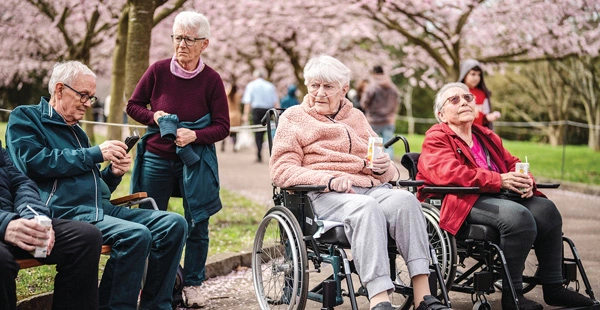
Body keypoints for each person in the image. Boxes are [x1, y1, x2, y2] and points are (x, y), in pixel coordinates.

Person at [270, 54, 449, 310]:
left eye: (328, 87)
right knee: (366, 209)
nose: (320, 93)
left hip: (369, 187)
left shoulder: (356, 117)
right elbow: (281, 170)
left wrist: (384, 167)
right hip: (323, 194)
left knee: (406, 201)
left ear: (344, 90)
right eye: (314, 85)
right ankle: (380, 300)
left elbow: (381, 164)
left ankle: (423, 296)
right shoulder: (293, 118)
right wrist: (329, 179)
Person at [5, 60, 188, 310]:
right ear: (59, 89)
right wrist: (95, 153)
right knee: (135, 234)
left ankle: (157, 306)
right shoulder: (26, 117)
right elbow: (32, 163)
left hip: (100, 210)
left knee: (173, 224)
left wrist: (113, 173)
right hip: (66, 212)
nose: (88, 103)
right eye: (83, 95)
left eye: (91, 97)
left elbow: (92, 186)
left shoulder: (77, 131)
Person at [416, 82, 595, 310]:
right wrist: (499, 180)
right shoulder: (436, 138)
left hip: (495, 196)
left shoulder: (485, 136)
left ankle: (554, 287)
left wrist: (526, 181)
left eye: (468, 97)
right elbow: (449, 174)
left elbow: (513, 163)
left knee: (548, 211)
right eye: (454, 100)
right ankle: (513, 295)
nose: (463, 102)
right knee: (518, 217)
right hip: (458, 200)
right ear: (441, 115)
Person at [126, 11, 229, 309]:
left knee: (197, 224)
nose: (181, 44)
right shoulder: (157, 70)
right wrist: (154, 116)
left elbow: (223, 126)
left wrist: (195, 136)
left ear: (204, 44)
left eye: (189, 39)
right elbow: (133, 105)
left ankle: (194, 284)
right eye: (177, 37)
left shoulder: (212, 80)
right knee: (149, 221)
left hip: (194, 161)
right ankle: (152, 285)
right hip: (157, 158)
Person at [0, 143, 102, 310]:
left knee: (85, 238)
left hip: (16, 221)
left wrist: (35, 216)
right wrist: (5, 224)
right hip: (5, 225)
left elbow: (20, 183)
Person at [360, 65, 400, 159]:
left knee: (374, 146)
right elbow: (397, 102)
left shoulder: (372, 86)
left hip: (374, 120)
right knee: (389, 144)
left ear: (374, 73)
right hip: (389, 120)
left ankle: (376, 168)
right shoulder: (393, 87)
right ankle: (391, 166)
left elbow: (364, 102)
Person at [241, 68, 280, 163]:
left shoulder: (251, 85)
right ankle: (270, 152)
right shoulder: (270, 86)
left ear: (255, 76)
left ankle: (259, 152)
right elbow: (276, 101)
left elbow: (248, 102)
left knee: (258, 133)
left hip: (257, 110)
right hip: (268, 110)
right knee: (267, 131)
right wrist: (278, 114)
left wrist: (245, 114)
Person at [458, 59, 501, 129]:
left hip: (478, 133)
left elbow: (484, 116)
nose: (476, 78)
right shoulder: (456, 92)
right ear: (464, 74)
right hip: (461, 131)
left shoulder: (483, 94)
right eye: (473, 74)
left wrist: (490, 117)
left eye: (479, 75)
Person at [222, 83, 242, 152]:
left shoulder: (227, 95)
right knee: (235, 133)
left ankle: (223, 146)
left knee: (226, 131)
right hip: (236, 115)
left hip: (229, 114)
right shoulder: (238, 95)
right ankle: (234, 147)